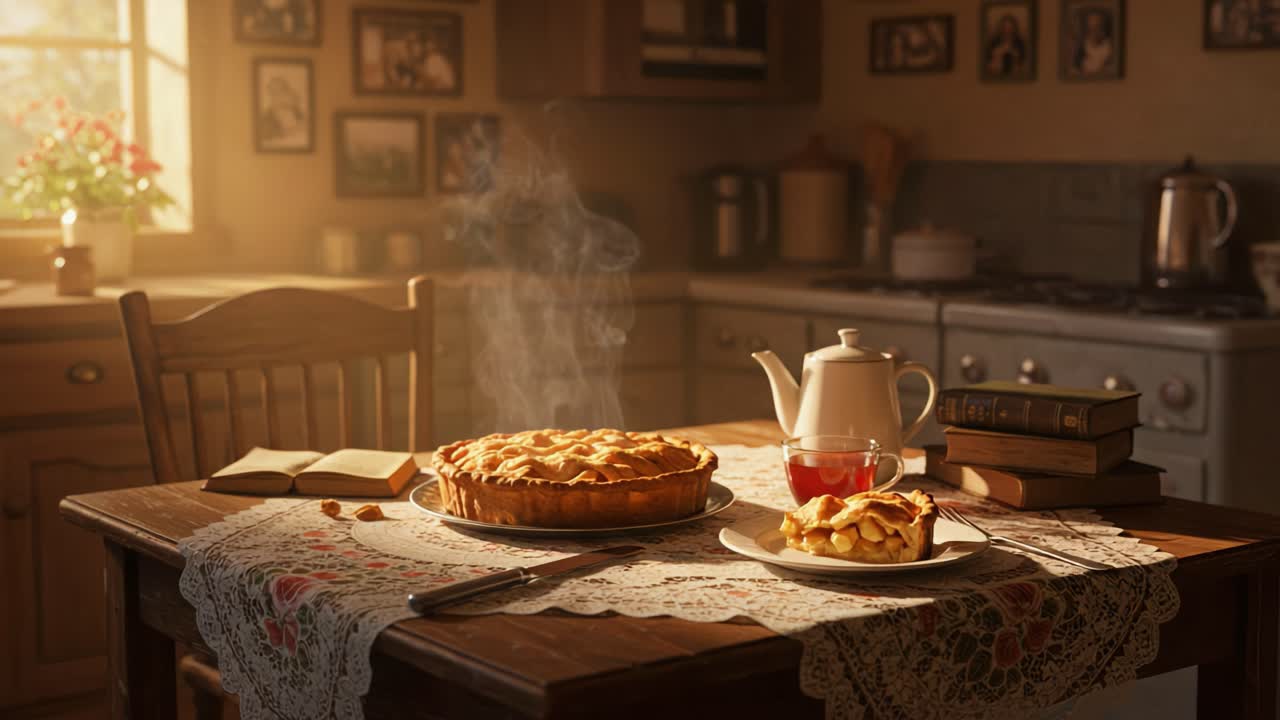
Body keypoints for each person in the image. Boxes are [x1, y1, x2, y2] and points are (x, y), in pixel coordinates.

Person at [258, 76, 306, 147]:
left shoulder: (297, 111)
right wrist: (295, 130)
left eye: (283, 90)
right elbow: (268, 138)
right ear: (270, 96)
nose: (280, 95)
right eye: (275, 93)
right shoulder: (266, 118)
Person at [1072, 9, 1114, 75]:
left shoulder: (1109, 47)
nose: (1094, 31)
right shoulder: (1082, 46)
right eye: (1091, 28)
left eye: (1098, 27)